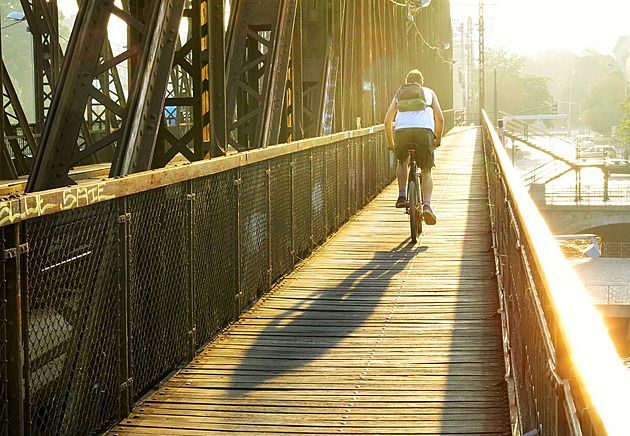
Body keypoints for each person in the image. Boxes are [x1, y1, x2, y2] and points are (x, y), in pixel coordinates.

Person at [384, 69, 443, 225]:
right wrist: (437, 140)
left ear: (407, 81)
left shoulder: (399, 93)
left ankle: (402, 195)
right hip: (424, 133)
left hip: (402, 133)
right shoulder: (429, 92)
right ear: (421, 83)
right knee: (426, 169)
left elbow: (387, 120)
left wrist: (391, 144)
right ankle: (428, 206)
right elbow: (440, 118)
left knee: (402, 162)